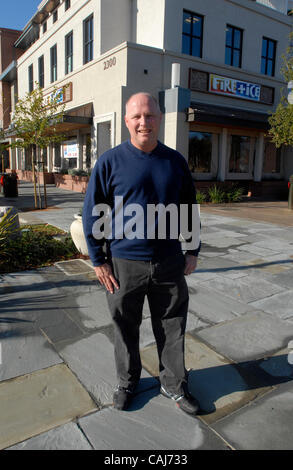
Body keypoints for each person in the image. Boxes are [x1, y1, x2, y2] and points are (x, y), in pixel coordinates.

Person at [82, 92, 201, 415]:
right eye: (136, 116)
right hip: (123, 264)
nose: (143, 122)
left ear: (159, 119)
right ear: (126, 121)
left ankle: (174, 384)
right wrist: (98, 260)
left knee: (173, 324)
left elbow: (189, 207)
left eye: (149, 115)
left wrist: (192, 249)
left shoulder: (174, 161)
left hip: (169, 261)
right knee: (124, 325)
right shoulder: (109, 161)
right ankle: (127, 382)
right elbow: (94, 212)